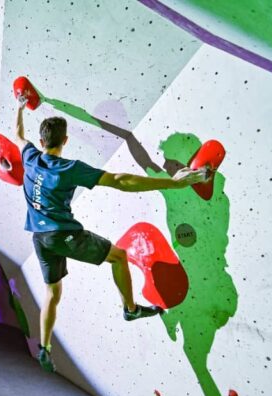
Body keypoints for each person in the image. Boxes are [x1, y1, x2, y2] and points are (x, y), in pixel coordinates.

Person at [14, 95, 208, 372]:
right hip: (62, 235)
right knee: (118, 257)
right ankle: (131, 309)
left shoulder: (30, 156)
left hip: (39, 238)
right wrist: (172, 184)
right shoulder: (69, 169)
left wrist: (20, 107)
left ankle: (44, 348)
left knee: (51, 293)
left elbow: (17, 135)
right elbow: (119, 181)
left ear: (42, 142)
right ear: (65, 141)